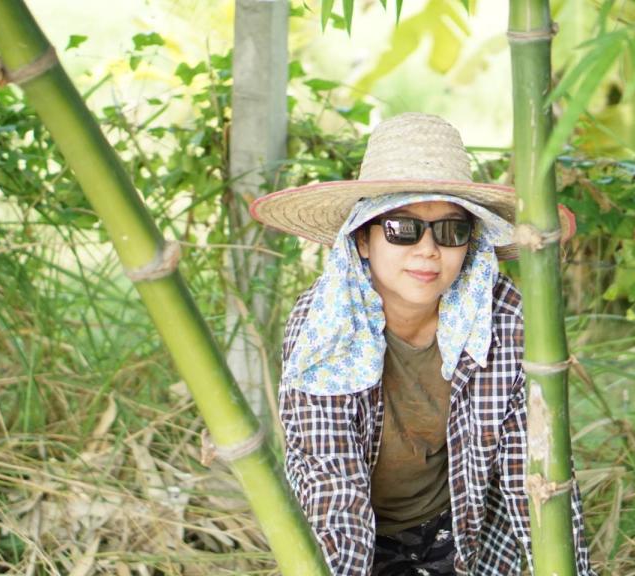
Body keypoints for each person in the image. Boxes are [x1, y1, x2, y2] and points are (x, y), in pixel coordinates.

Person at [250, 113, 594, 576]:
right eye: (402, 228)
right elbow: (328, 484)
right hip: (348, 532)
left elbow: (531, 475)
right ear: (363, 239)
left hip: (467, 527)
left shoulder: (503, 317)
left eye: (451, 231)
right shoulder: (324, 326)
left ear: (470, 243)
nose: (428, 250)